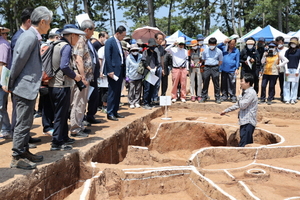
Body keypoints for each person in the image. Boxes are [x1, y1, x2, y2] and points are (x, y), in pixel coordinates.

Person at [6, 6, 52, 170]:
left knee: (27, 121)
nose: (50, 26)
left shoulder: (33, 36)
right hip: (24, 87)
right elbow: (18, 61)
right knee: (23, 123)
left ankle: (24, 150)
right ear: (42, 21)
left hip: (28, 87)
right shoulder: (29, 37)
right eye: (49, 23)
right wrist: (11, 83)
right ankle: (17, 156)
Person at [48, 27, 85, 151]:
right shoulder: (66, 47)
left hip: (54, 85)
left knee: (62, 113)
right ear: (72, 35)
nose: (79, 40)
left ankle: (63, 137)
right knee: (60, 115)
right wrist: (76, 76)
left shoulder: (57, 44)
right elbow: (64, 66)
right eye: (78, 37)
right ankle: (57, 142)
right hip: (61, 85)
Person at [10, 7, 40, 147]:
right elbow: (17, 61)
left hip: (26, 84)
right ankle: (19, 149)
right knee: (20, 118)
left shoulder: (28, 35)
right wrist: (10, 82)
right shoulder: (23, 36)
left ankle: (24, 144)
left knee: (26, 118)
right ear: (29, 21)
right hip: (21, 84)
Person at [69, 20, 95, 137]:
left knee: (82, 103)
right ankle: (75, 128)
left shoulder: (84, 41)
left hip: (85, 78)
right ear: (87, 30)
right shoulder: (80, 41)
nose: (93, 33)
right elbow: (78, 59)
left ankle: (80, 125)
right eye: (93, 30)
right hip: (81, 79)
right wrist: (83, 77)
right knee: (78, 103)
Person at [220, 73, 258, 147]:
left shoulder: (250, 93)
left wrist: (239, 95)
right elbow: (237, 105)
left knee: (244, 144)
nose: (240, 83)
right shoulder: (246, 92)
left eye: (242, 81)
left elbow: (242, 105)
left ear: (248, 83)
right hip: (244, 121)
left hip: (248, 122)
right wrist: (226, 111)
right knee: (247, 143)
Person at [104, 25, 127, 121]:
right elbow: (108, 57)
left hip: (120, 69)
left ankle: (115, 111)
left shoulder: (119, 42)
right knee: (112, 92)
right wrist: (110, 70)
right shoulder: (110, 41)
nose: (123, 38)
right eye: (122, 36)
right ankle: (110, 112)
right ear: (117, 33)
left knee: (118, 92)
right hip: (113, 71)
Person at [165, 37, 189, 103]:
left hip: (183, 68)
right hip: (175, 68)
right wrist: (173, 44)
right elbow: (166, 49)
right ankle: (174, 96)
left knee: (183, 83)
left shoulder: (186, 51)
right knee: (174, 83)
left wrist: (187, 69)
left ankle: (183, 97)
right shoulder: (173, 50)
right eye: (180, 44)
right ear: (178, 44)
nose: (181, 45)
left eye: (182, 44)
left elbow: (187, 61)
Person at [200, 37, 223, 104]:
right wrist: (209, 63)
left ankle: (217, 98)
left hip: (215, 68)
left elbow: (220, 61)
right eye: (211, 44)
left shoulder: (219, 51)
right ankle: (204, 97)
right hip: (206, 67)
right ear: (208, 44)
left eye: (213, 44)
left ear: (215, 44)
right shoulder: (205, 51)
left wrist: (215, 65)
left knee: (216, 83)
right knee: (205, 82)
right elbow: (203, 59)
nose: (212, 45)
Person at [217, 38, 240, 103]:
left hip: (232, 69)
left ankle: (232, 96)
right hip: (223, 69)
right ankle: (224, 95)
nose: (232, 45)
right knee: (223, 83)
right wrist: (223, 42)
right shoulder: (224, 48)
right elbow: (217, 47)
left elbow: (237, 60)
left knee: (232, 83)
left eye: (233, 44)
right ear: (228, 43)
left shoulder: (236, 50)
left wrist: (237, 68)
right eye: (230, 44)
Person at [0, 26, 12, 139]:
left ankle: (6, 129)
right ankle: (5, 128)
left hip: (1, 80)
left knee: (0, 106)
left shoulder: (3, 45)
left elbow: (2, 65)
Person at [141, 38, 159, 110]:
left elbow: (157, 63)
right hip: (147, 72)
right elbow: (144, 62)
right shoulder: (145, 52)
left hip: (153, 73)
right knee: (147, 88)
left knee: (152, 88)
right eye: (152, 45)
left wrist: (155, 68)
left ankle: (150, 102)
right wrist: (150, 69)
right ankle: (145, 103)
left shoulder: (155, 53)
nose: (153, 47)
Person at [126, 44, 143, 108]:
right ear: (131, 51)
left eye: (136, 50)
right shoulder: (128, 57)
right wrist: (127, 76)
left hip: (139, 76)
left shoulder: (141, 56)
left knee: (138, 90)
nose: (135, 51)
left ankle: (137, 101)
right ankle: (131, 102)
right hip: (131, 76)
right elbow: (127, 67)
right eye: (133, 50)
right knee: (131, 90)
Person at [283, 38, 300, 104]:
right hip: (288, 69)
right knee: (287, 84)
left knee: (294, 85)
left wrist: (298, 70)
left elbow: (299, 61)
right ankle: (287, 98)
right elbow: (285, 61)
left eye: (294, 43)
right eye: (292, 43)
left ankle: (293, 98)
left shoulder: (299, 51)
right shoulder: (287, 51)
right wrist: (286, 70)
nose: (293, 44)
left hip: (296, 69)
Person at [152, 32, 165, 105]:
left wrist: (163, 68)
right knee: (152, 83)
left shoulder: (161, 48)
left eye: (162, 39)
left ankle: (155, 97)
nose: (161, 40)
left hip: (159, 67)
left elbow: (162, 58)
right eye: (159, 39)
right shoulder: (152, 47)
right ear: (156, 39)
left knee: (157, 84)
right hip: (153, 67)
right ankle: (151, 98)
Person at [275, 36, 288, 102]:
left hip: (283, 68)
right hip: (275, 68)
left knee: (283, 82)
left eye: (280, 42)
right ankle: (271, 96)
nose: (279, 43)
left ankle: (283, 95)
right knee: (273, 83)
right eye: (278, 42)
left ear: (283, 42)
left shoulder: (286, 49)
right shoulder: (275, 49)